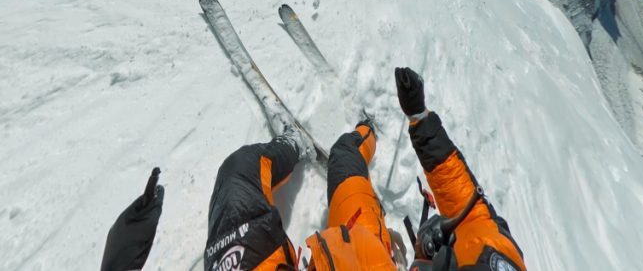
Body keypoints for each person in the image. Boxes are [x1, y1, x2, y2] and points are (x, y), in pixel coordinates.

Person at [102, 67, 527, 270]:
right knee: (344, 153)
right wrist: (419, 119)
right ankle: (352, 134)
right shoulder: (492, 258)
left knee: (239, 178)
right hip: (365, 244)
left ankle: (308, 142)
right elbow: (461, 194)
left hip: (345, 255)